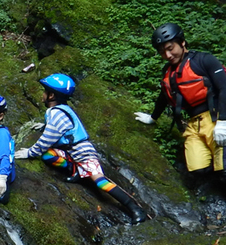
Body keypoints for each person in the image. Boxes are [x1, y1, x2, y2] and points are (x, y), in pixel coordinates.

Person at [133, 23, 226, 213]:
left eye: (171, 48)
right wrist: (153, 118)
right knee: (197, 168)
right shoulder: (168, 72)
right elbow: (164, 96)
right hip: (194, 124)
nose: (168, 55)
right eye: (162, 52)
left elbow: (223, 89)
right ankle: (225, 173)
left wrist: (222, 122)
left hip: (217, 116)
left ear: (182, 43)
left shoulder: (204, 60)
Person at [17, 74, 146, 223]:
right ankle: (76, 170)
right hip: (71, 152)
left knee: (100, 182)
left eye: (45, 92)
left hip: (83, 153)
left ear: (51, 95)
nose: (43, 95)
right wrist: (44, 126)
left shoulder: (56, 113)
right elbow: (59, 129)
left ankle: (134, 208)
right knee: (48, 155)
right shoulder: (60, 110)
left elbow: (47, 139)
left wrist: (30, 152)